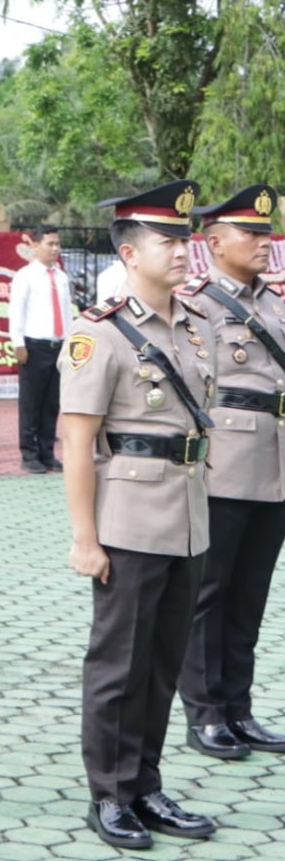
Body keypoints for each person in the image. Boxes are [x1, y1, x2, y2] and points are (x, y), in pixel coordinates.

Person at [59, 179, 217, 850]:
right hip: (126, 521)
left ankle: (147, 785)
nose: (183, 251)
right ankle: (111, 794)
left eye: (186, 239)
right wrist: (84, 538)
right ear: (128, 251)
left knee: (162, 662)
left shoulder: (197, 324)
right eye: (168, 241)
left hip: (186, 517)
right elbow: (76, 440)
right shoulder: (101, 336)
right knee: (119, 666)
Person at [177, 186, 285, 759]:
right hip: (224, 463)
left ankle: (239, 709)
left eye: (267, 234)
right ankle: (207, 712)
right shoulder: (197, 304)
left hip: (273, 461)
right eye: (252, 234)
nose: (264, 244)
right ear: (215, 243)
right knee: (210, 593)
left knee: (250, 593)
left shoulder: (273, 301)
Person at [8, 225, 73, 474]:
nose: (55, 248)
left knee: (51, 403)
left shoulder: (62, 277)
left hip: (58, 345)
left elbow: (67, 313)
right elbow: (17, 312)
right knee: (31, 403)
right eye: (50, 244)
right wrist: (18, 344)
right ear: (35, 246)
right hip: (34, 345)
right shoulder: (25, 276)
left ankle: (47, 452)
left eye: (57, 244)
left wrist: (69, 342)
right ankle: (29, 453)